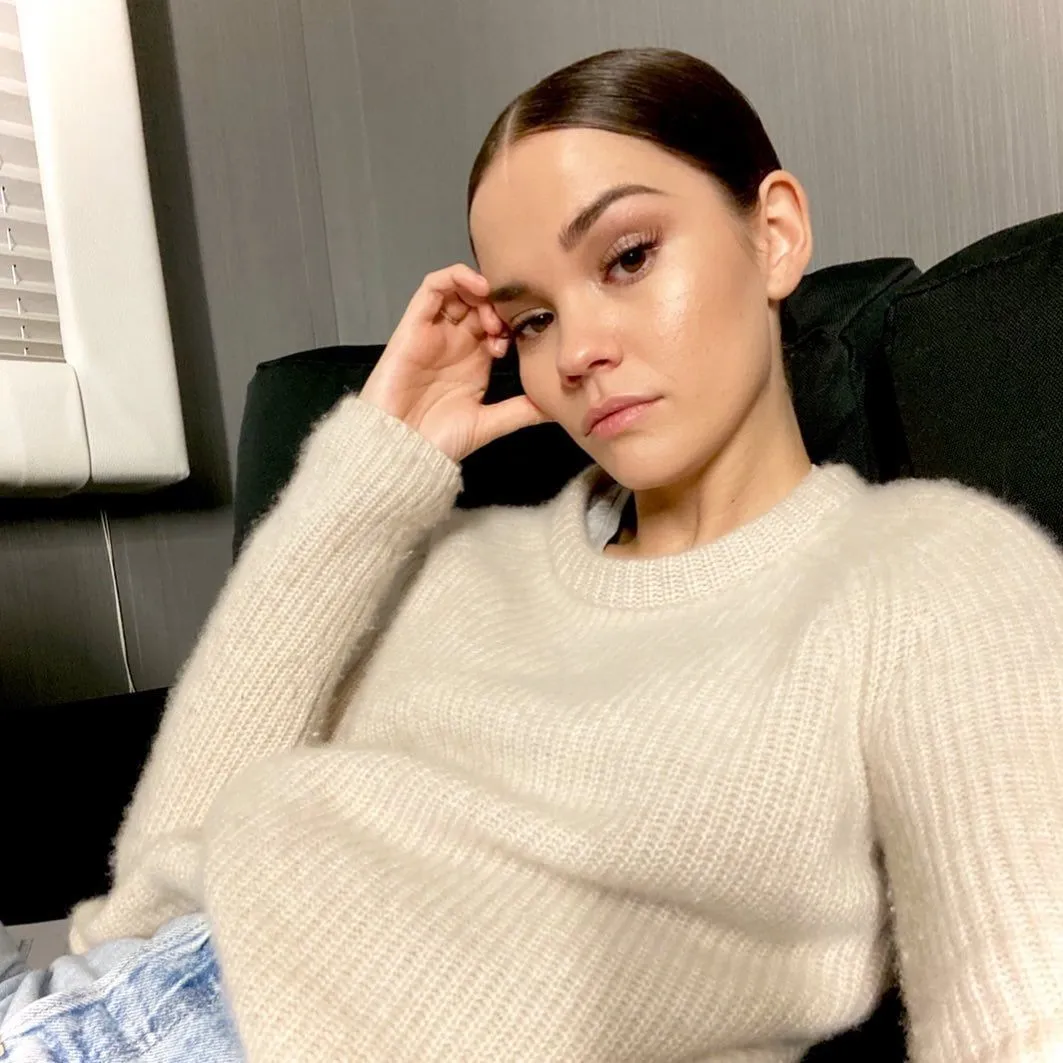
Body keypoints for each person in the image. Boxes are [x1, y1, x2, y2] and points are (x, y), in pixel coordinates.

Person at [3, 45, 1063, 1063]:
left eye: (628, 257)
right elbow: (151, 898)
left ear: (774, 233)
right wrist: (369, 472)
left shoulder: (926, 578)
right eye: (535, 319)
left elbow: (1021, 1009)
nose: (580, 350)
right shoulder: (462, 569)